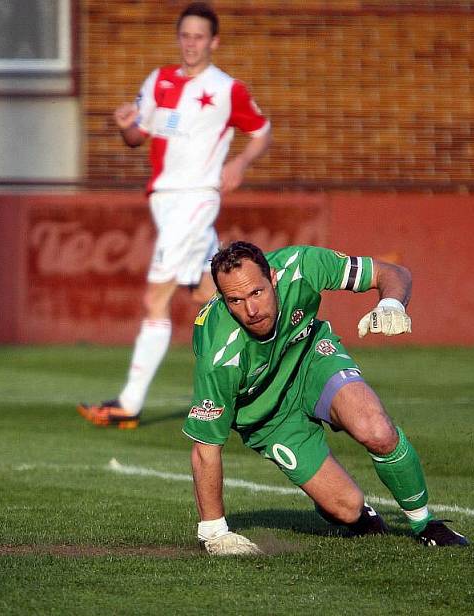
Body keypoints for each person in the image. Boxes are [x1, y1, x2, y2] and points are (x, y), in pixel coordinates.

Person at [185, 241, 469, 555]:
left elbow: (392, 272)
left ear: (274, 277)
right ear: (223, 300)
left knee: (376, 429)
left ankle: (425, 523)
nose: (251, 311)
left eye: (257, 293)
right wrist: (214, 532)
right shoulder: (218, 353)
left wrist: (391, 304)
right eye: (235, 300)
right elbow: (205, 450)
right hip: (268, 418)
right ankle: (358, 514)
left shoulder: (303, 264)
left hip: (312, 360)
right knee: (346, 509)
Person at [78, 2, 272, 429]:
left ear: (214, 41)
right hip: (166, 202)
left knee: (155, 299)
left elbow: (261, 130)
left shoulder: (226, 88)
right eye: (185, 35)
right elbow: (136, 135)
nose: (191, 43)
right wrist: (125, 124)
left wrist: (239, 164)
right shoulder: (159, 81)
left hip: (196, 200)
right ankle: (270, 370)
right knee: (211, 295)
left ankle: (128, 404)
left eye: (199, 36)